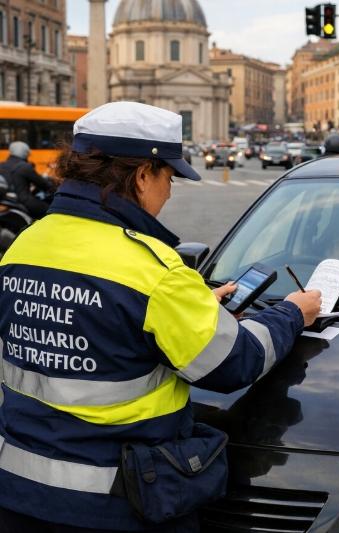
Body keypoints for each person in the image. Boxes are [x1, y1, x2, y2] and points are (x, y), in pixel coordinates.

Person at [0, 101, 322, 532]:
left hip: (18, 494)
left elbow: (89, 328)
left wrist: (193, 307)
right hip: (114, 506)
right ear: (141, 175)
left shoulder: (25, 245)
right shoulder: (155, 271)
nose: (169, 191)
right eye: (169, 177)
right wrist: (291, 313)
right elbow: (234, 362)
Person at [0, 141, 56, 218]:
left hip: (7, 200)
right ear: (25, 153)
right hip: (23, 201)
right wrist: (52, 187)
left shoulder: (1, 165)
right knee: (51, 212)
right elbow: (42, 184)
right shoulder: (24, 166)